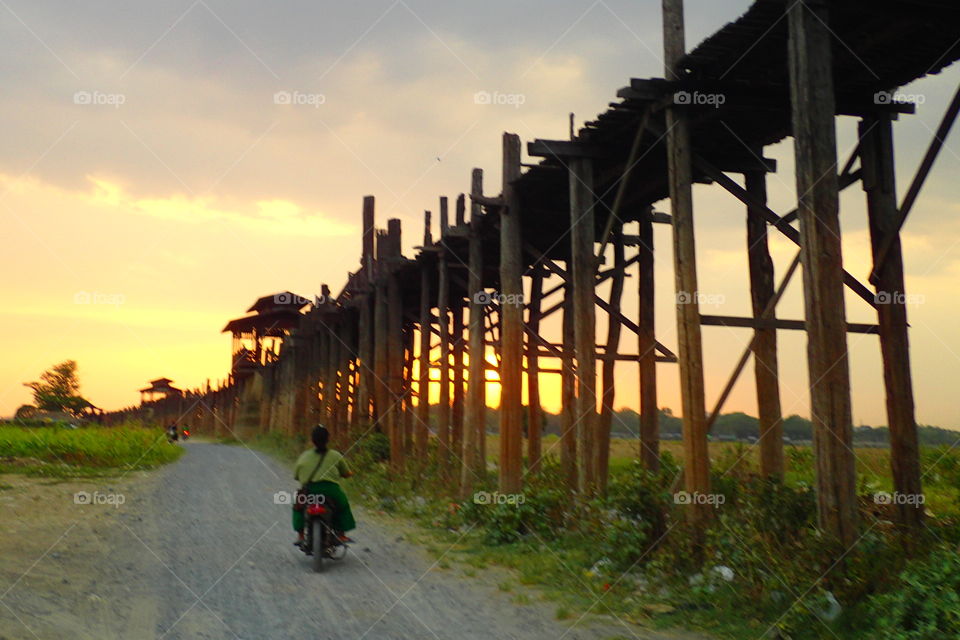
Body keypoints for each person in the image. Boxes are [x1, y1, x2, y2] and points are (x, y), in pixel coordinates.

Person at [292, 425, 356, 547]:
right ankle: (341, 534)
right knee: (343, 506)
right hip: (331, 490)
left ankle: (300, 535)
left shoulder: (304, 456)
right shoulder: (335, 455)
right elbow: (346, 473)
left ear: (312, 440)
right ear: (328, 439)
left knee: (298, 507)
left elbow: (296, 476)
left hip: (309, 491)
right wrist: (349, 474)